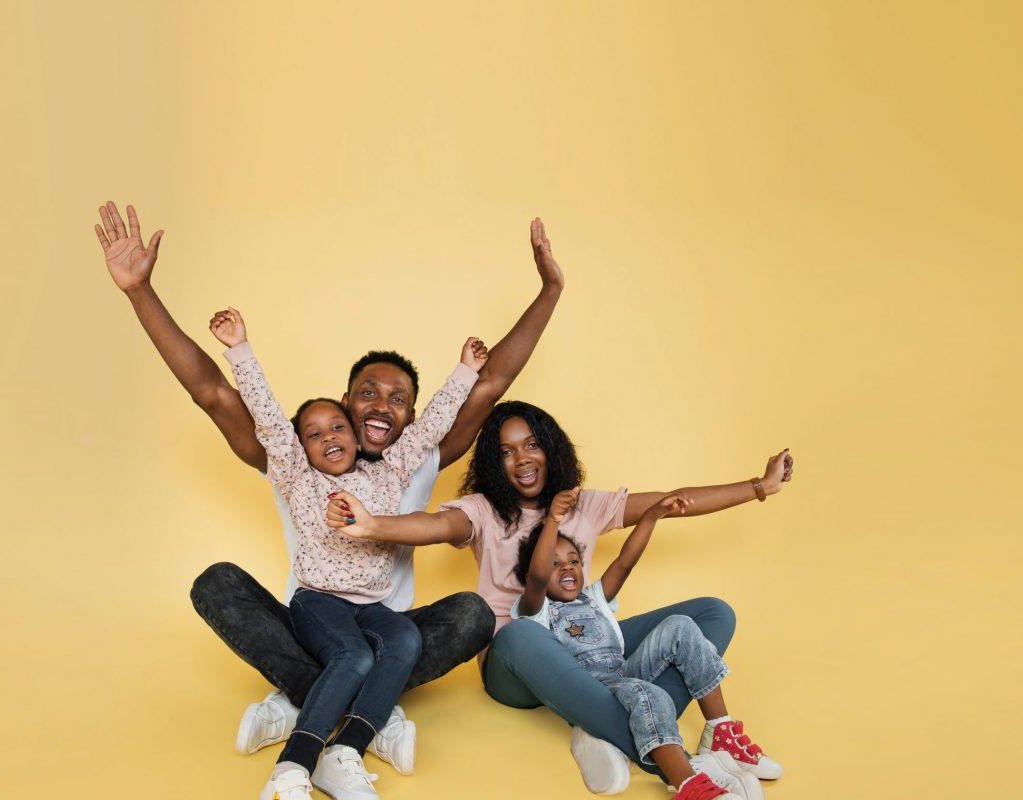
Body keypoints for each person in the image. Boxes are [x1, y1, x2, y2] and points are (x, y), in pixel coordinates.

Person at [92, 202, 565, 773]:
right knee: (218, 583)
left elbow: (488, 384)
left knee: (471, 613)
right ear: (342, 403)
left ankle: (305, 704)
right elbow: (214, 393)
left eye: (398, 399)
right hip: (311, 629)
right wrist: (140, 292)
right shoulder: (294, 459)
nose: (381, 406)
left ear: (416, 417)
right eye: (367, 392)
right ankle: (368, 711)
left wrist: (549, 292)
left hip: (388, 632)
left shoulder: (413, 461)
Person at [327, 401, 794, 794]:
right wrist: (371, 525)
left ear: (550, 450)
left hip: (592, 649)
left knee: (712, 614)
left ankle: (623, 729)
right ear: (495, 463)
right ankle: (679, 765)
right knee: (520, 635)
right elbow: (433, 526)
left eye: (531, 444)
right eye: (507, 451)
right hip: (516, 662)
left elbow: (672, 502)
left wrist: (760, 487)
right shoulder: (484, 510)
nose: (522, 459)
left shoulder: (583, 504)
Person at [209, 308, 486, 800]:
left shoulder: (388, 472)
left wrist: (465, 371)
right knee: (354, 656)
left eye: (336, 428)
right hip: (318, 602)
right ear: (301, 448)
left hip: (373, 607)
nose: (328, 438)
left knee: (403, 640)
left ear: (354, 435)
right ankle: (293, 766)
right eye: (313, 434)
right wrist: (240, 350)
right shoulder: (297, 477)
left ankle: (345, 751)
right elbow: (270, 420)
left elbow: (430, 427)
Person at [509, 488, 782, 800]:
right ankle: (687, 784)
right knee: (650, 694)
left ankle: (719, 730)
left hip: (624, 674)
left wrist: (652, 516)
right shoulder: (536, 609)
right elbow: (538, 578)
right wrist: (554, 520)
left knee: (681, 624)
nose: (567, 567)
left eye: (573, 560)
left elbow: (625, 562)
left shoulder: (596, 599)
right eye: (555, 564)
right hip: (591, 691)